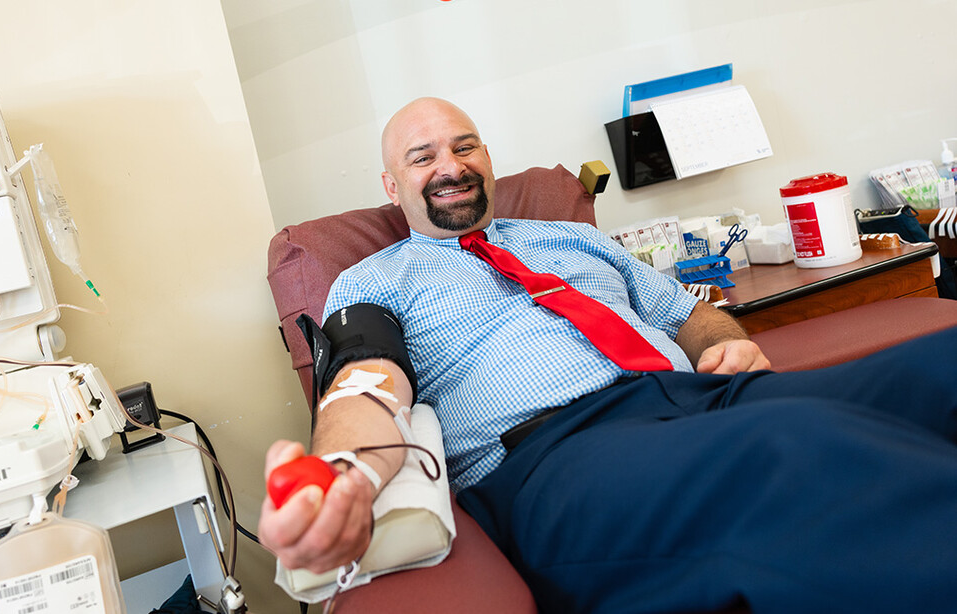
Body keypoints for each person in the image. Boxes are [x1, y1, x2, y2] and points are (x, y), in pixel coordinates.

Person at [259, 97, 957, 613]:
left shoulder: (572, 240)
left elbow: (692, 318)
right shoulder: (375, 280)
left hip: (704, 402)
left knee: (939, 366)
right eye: (423, 157)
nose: (452, 166)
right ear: (391, 186)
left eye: (465, 146)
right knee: (795, 448)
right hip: (558, 455)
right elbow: (364, 384)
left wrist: (730, 348)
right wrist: (343, 471)